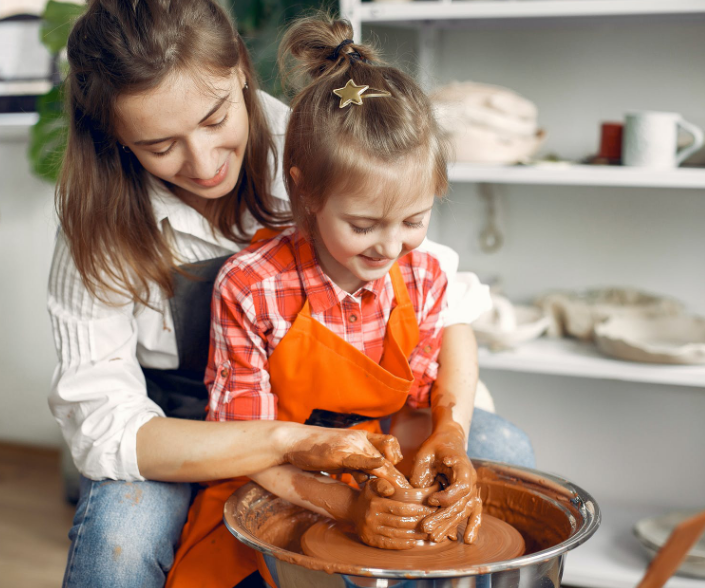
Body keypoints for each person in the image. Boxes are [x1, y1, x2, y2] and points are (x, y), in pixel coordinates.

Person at [47, 1, 534, 587]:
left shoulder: (327, 140)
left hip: (354, 421)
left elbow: (438, 294)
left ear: (242, 72)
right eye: (159, 145)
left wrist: (448, 426)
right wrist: (292, 445)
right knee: (118, 542)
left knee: (501, 449)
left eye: (214, 116)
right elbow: (105, 426)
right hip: (185, 431)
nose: (203, 164)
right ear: (119, 138)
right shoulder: (99, 225)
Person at [166, 16, 491, 587]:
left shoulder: (420, 274)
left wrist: (447, 438)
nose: (391, 246)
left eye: (415, 219)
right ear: (307, 193)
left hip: (376, 462)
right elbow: (246, 444)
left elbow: (417, 408)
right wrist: (342, 507)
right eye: (364, 225)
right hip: (271, 475)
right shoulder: (251, 287)